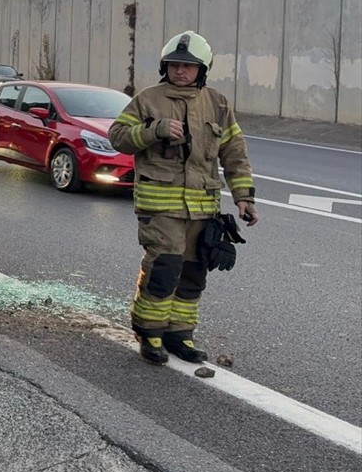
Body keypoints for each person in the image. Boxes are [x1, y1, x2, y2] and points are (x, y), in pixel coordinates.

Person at [108, 31, 258, 365]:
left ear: (202, 69)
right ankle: (150, 332)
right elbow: (118, 136)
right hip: (160, 206)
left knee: (193, 271)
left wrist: (244, 196)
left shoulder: (218, 104)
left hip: (203, 207)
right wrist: (154, 130)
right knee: (165, 267)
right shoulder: (148, 100)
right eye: (175, 65)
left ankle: (180, 334)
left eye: (189, 67)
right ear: (165, 66)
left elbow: (234, 151)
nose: (181, 71)